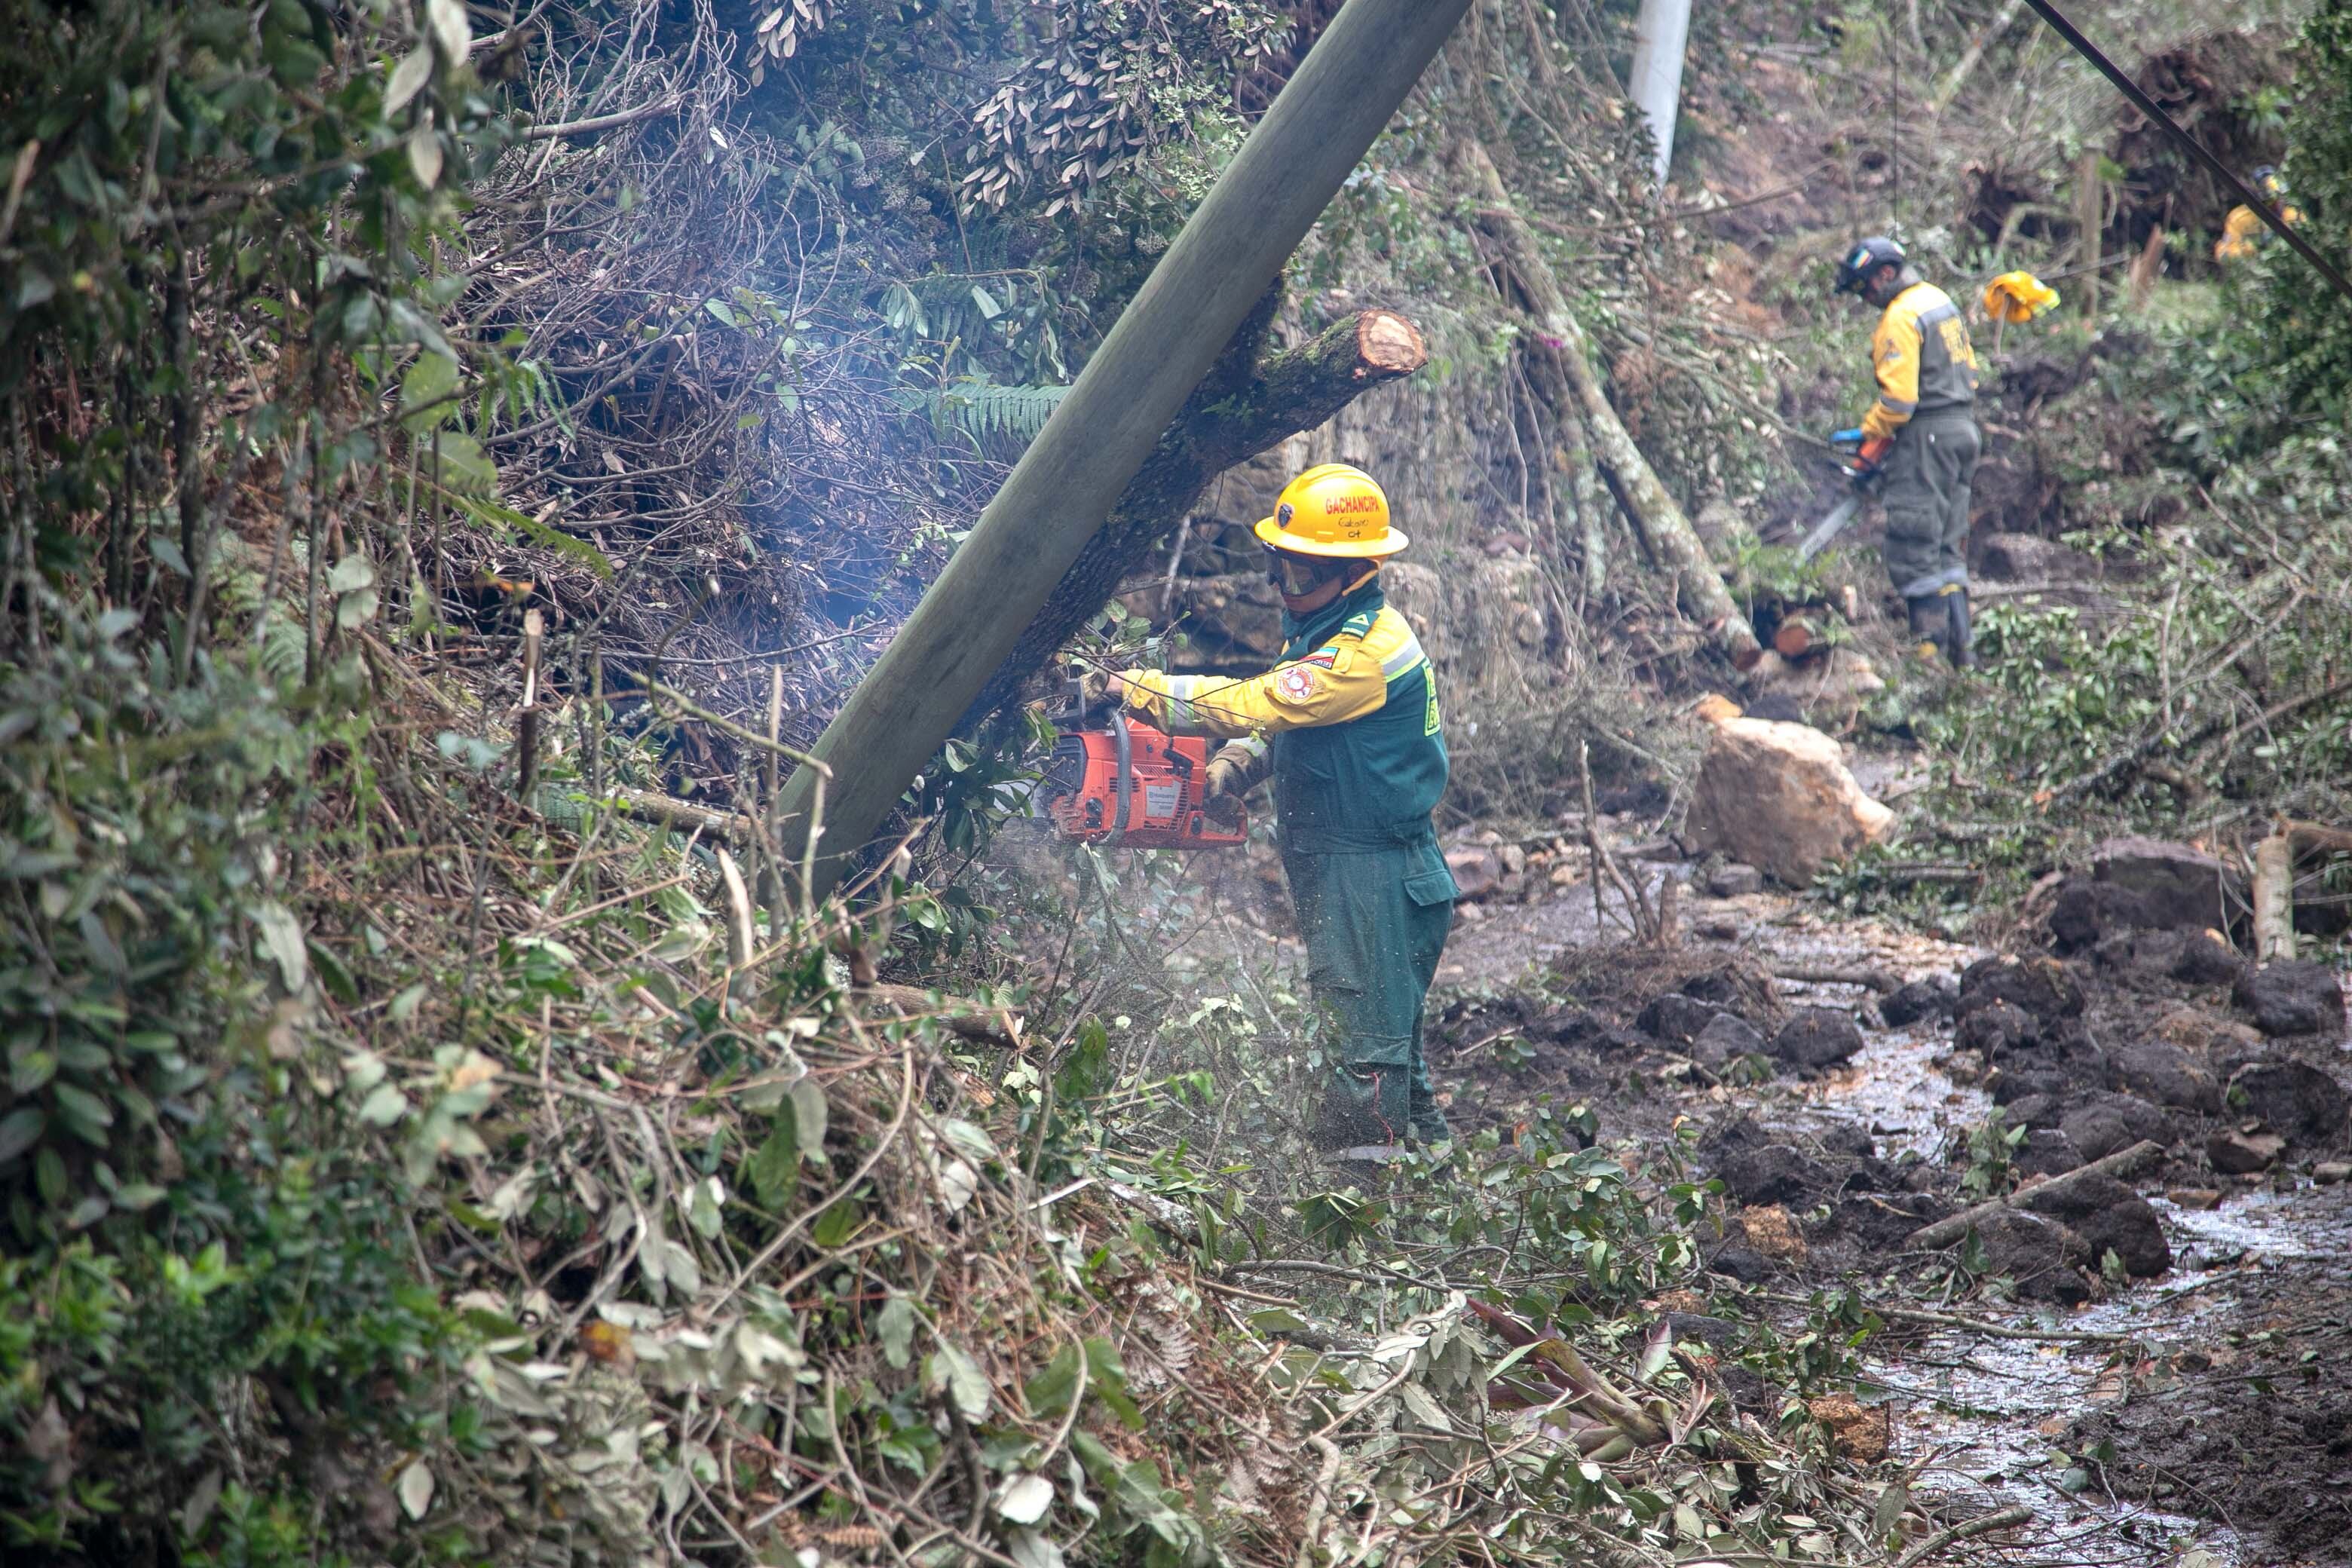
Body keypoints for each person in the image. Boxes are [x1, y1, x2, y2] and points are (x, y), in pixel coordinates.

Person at [1093, 463, 1456, 1162]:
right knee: (1392, 1060)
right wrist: (1235, 764)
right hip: (1363, 871)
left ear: (1353, 570)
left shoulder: (1362, 654)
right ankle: (1433, 1197)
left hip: (1373, 876)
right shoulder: (1330, 631)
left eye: (1300, 574)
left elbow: (1258, 702)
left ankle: (1364, 1220)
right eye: (1280, 570)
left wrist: (1129, 689)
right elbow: (1291, 721)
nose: (1286, 589)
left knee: (1365, 1068)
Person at [1831, 234, 1983, 667]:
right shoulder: (1938, 300)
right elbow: (1969, 370)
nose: (1867, 299)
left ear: (1885, 274)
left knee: (1914, 538)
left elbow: (1899, 402)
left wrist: (1868, 431)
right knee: (1948, 544)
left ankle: (1928, 655)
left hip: (1927, 436)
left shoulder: (1901, 315)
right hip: (1961, 429)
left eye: (1866, 288)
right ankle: (1964, 656)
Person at [2215, 166, 2301, 262]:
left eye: (2279, 197)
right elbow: (2226, 255)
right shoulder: (2238, 220)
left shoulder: (2293, 210)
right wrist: (2257, 246)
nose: (2276, 203)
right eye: (2267, 196)